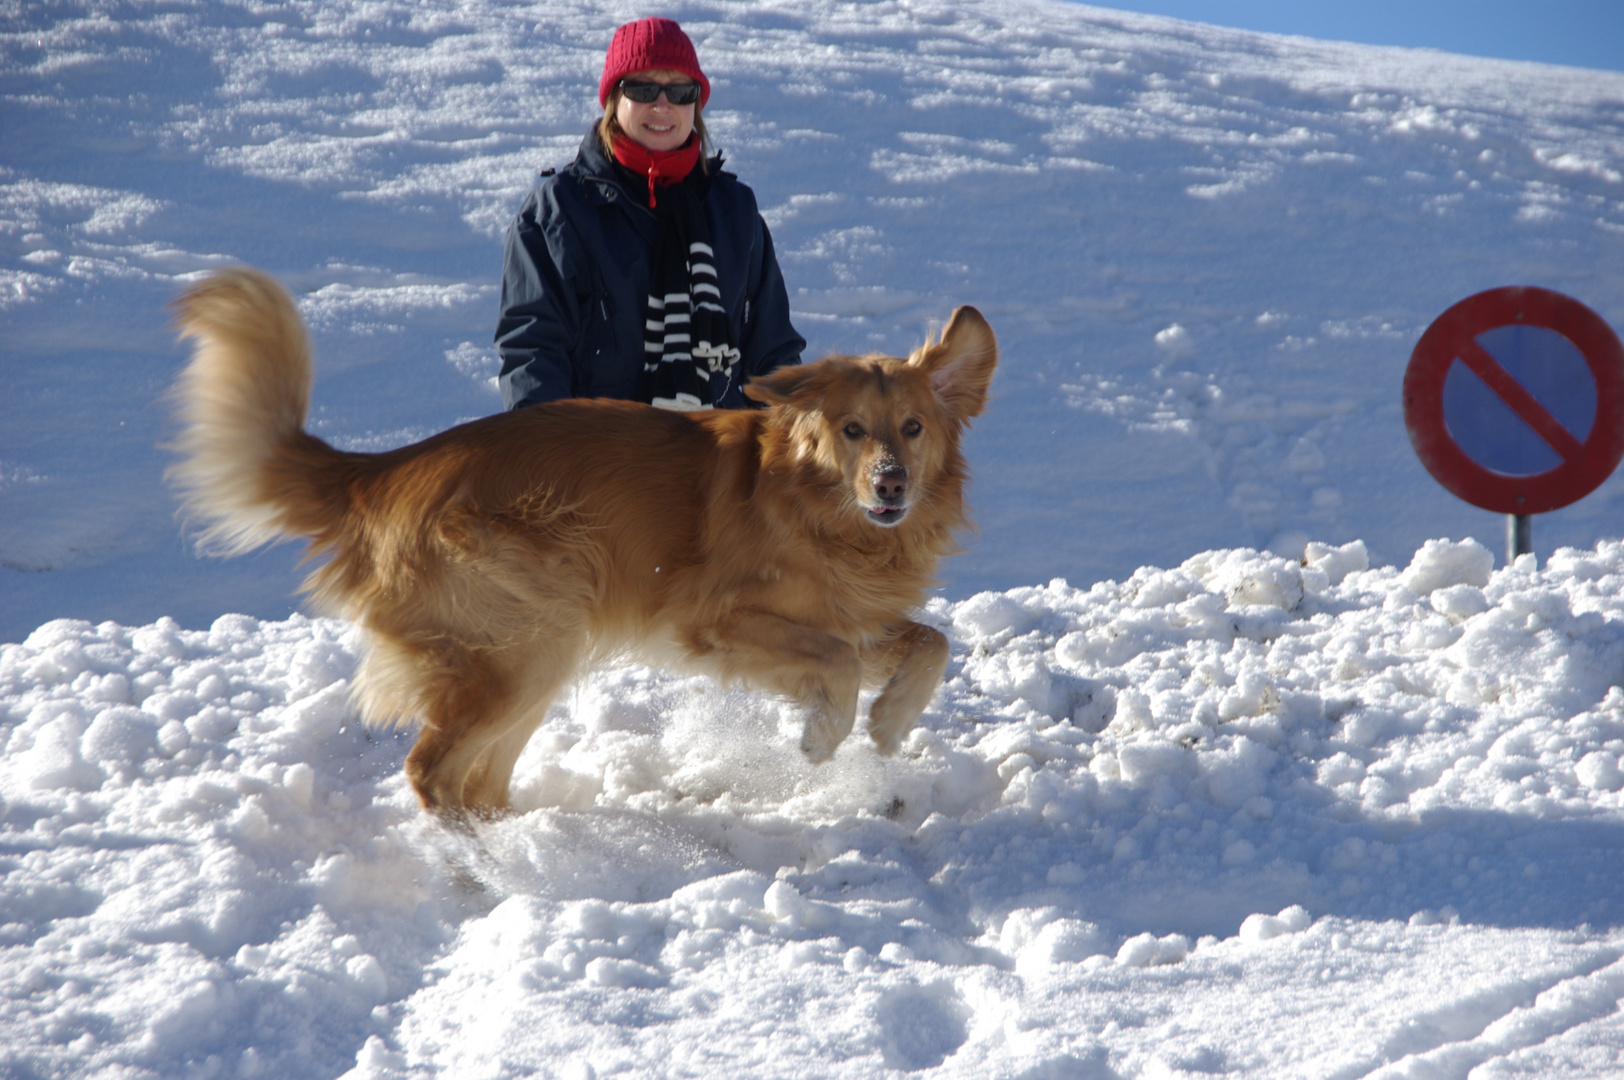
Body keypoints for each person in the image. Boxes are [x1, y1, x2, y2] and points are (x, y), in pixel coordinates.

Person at [495, 17, 804, 411]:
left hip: (720, 462)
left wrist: (784, 463)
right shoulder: (557, 213)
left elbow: (774, 357)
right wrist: (550, 465)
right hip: (601, 461)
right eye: (642, 89)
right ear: (612, 101)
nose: (662, 105)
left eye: (681, 91)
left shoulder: (735, 212)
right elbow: (533, 355)